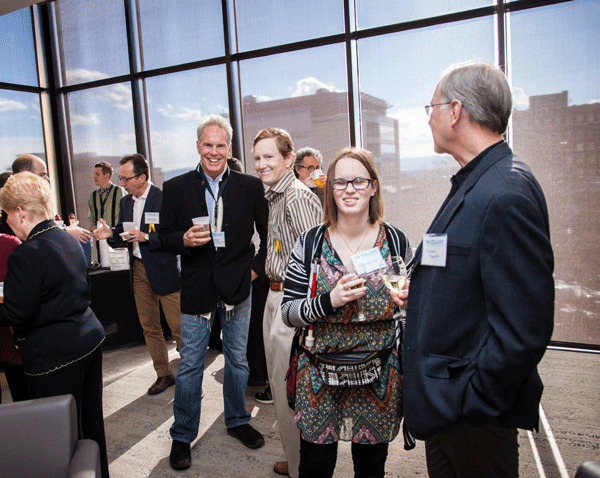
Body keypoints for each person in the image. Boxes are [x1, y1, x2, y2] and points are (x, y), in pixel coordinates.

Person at [400, 60, 554, 478]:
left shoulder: (505, 193)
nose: (428, 118)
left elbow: (524, 331)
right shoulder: (477, 181)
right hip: (448, 410)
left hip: (472, 420)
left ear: (455, 110)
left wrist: (471, 401)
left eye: (430, 107)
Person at [281, 147, 412, 478]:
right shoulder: (310, 243)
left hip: (379, 376)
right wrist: (330, 300)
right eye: (340, 182)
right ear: (329, 188)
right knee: (315, 466)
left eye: (358, 180)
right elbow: (288, 312)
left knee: (370, 469)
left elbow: (413, 305)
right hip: (319, 375)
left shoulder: (395, 241)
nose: (349, 189)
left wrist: (413, 303)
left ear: (373, 187)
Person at [159, 114, 269, 470]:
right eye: (208, 144)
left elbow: (270, 239)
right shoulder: (176, 188)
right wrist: (183, 239)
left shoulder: (250, 187)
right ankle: (182, 434)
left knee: (238, 361)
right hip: (197, 291)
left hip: (239, 290)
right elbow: (162, 237)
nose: (214, 151)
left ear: (229, 149)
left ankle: (237, 420)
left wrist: (253, 271)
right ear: (197, 147)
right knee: (191, 365)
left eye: (221, 145)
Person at [0, 172, 109, 478]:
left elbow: (17, 314)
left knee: (59, 438)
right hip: (88, 341)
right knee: (91, 425)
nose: (6, 221)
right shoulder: (68, 238)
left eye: (6, 214)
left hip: (54, 356)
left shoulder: (26, 255)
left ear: (21, 212)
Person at [253, 128, 322, 478]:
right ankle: (296, 460)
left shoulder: (297, 197)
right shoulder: (275, 197)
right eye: (258, 157)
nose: (261, 164)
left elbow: (317, 263)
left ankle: (302, 468)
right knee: (280, 388)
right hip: (274, 294)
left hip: (291, 302)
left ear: (288, 160)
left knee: (290, 389)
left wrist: (306, 318)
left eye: (269, 157)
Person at [94, 154, 182, 395]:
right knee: (149, 326)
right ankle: (163, 374)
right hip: (138, 270)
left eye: (126, 178)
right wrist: (109, 234)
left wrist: (147, 238)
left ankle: (190, 376)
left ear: (142, 177)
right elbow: (123, 233)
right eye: (120, 178)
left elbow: (175, 238)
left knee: (178, 328)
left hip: (164, 270)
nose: (122, 183)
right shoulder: (125, 203)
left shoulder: (164, 199)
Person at [12, 154, 93, 245]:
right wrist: (65, 233)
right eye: (42, 174)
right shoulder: (16, 205)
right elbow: (31, 238)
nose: (48, 179)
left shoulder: (37, 202)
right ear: (25, 175)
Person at [88, 161, 126, 231]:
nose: (94, 177)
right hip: (100, 239)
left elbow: (127, 215)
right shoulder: (93, 196)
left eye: (97, 174)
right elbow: (92, 220)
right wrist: (96, 231)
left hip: (117, 238)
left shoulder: (119, 191)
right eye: (94, 174)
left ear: (107, 176)